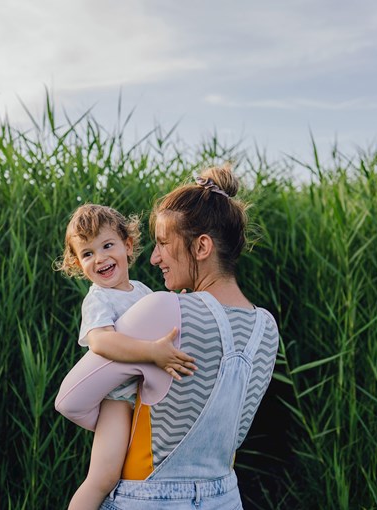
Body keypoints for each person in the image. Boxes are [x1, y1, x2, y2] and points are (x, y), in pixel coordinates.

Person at [56, 165, 280, 509]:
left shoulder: (163, 309)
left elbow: (69, 401)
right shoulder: (266, 328)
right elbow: (232, 434)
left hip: (150, 497)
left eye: (163, 243)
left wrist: (118, 422)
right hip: (224, 497)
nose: (154, 257)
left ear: (201, 246)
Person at [55, 204, 198, 510]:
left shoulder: (143, 290)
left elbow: (159, 321)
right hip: (119, 401)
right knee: (103, 478)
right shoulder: (98, 298)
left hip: (146, 400)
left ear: (127, 245)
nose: (101, 258)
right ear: (79, 265)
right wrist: (152, 353)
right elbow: (102, 342)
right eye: (88, 253)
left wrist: (182, 306)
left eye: (107, 245)